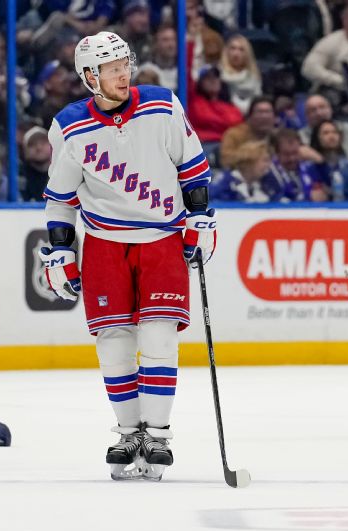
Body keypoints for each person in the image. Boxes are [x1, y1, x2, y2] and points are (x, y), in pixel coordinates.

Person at [38, 32, 216, 480]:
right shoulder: (69, 127)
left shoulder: (162, 105)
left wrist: (200, 220)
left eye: (124, 63)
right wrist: (61, 248)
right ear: (88, 77)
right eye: (110, 67)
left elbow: (193, 171)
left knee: (158, 337)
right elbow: (61, 199)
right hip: (103, 242)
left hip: (161, 238)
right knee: (114, 344)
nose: (123, 72)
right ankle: (127, 433)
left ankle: (156, 437)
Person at [261, 128, 325, 203]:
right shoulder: (269, 173)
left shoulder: (308, 167)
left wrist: (320, 160)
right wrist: (308, 197)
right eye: (286, 154)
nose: (292, 158)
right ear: (277, 153)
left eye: (295, 153)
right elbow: (278, 203)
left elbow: (325, 189)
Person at [220, 96, 275, 169]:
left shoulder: (277, 137)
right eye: (260, 112)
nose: (264, 116)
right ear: (250, 116)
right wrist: (252, 153)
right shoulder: (234, 134)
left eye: (268, 112)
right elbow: (225, 160)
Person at [298, 94, 348, 159]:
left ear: (330, 109)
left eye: (322, 107)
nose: (319, 113)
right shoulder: (301, 137)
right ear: (307, 116)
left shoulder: (346, 128)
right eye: (313, 110)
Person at [219, 34, 262, 115]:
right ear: (227, 51)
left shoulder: (254, 77)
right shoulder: (218, 76)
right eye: (233, 48)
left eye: (241, 49)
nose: (236, 53)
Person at [20, 125, 52, 201]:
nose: (39, 147)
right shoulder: (19, 175)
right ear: (25, 151)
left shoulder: (61, 173)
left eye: (43, 143)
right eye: (32, 144)